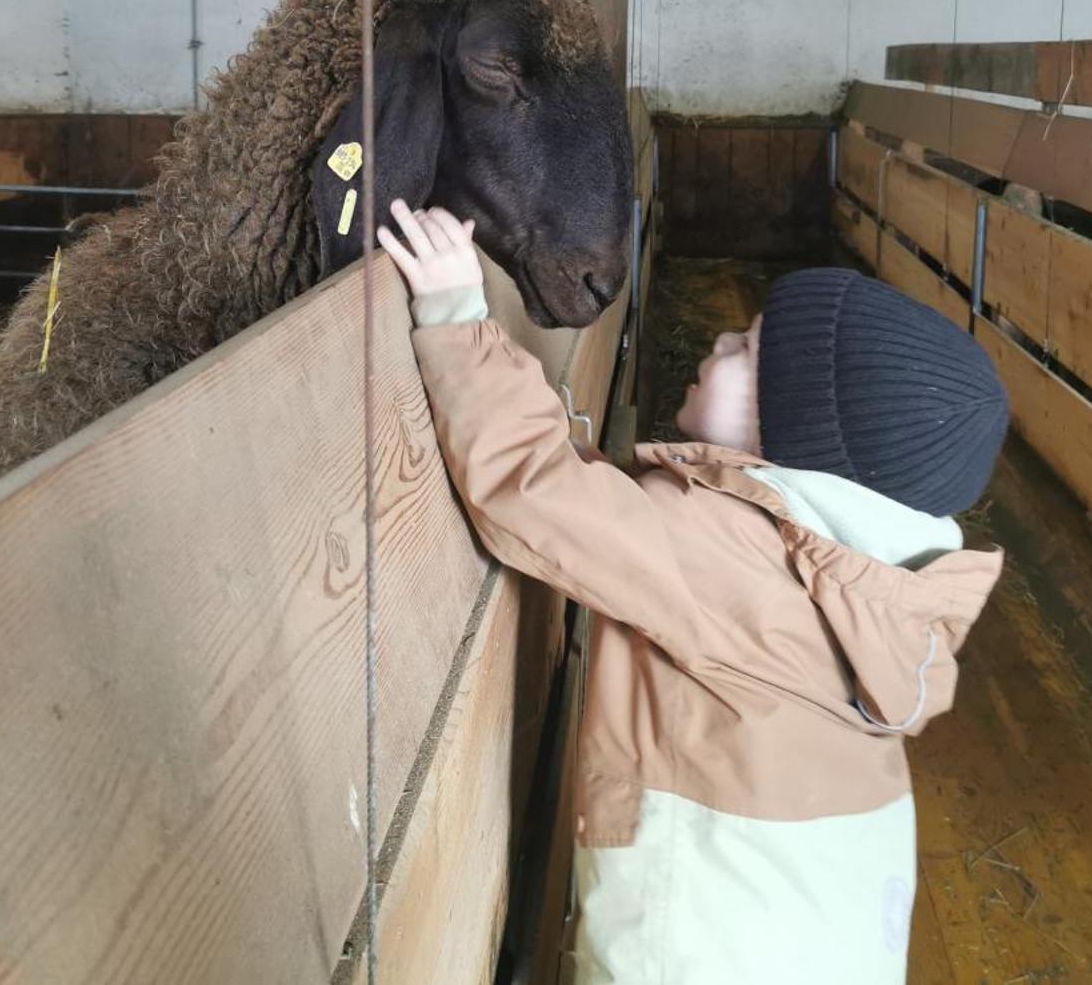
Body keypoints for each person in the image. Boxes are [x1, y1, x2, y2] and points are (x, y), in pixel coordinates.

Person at [377, 199, 1010, 984]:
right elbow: (618, 518)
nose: (717, 342)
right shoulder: (858, 580)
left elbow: (535, 493)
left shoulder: (729, 554)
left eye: (745, 349)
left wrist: (454, 312)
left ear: (788, 437)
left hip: (695, 952)